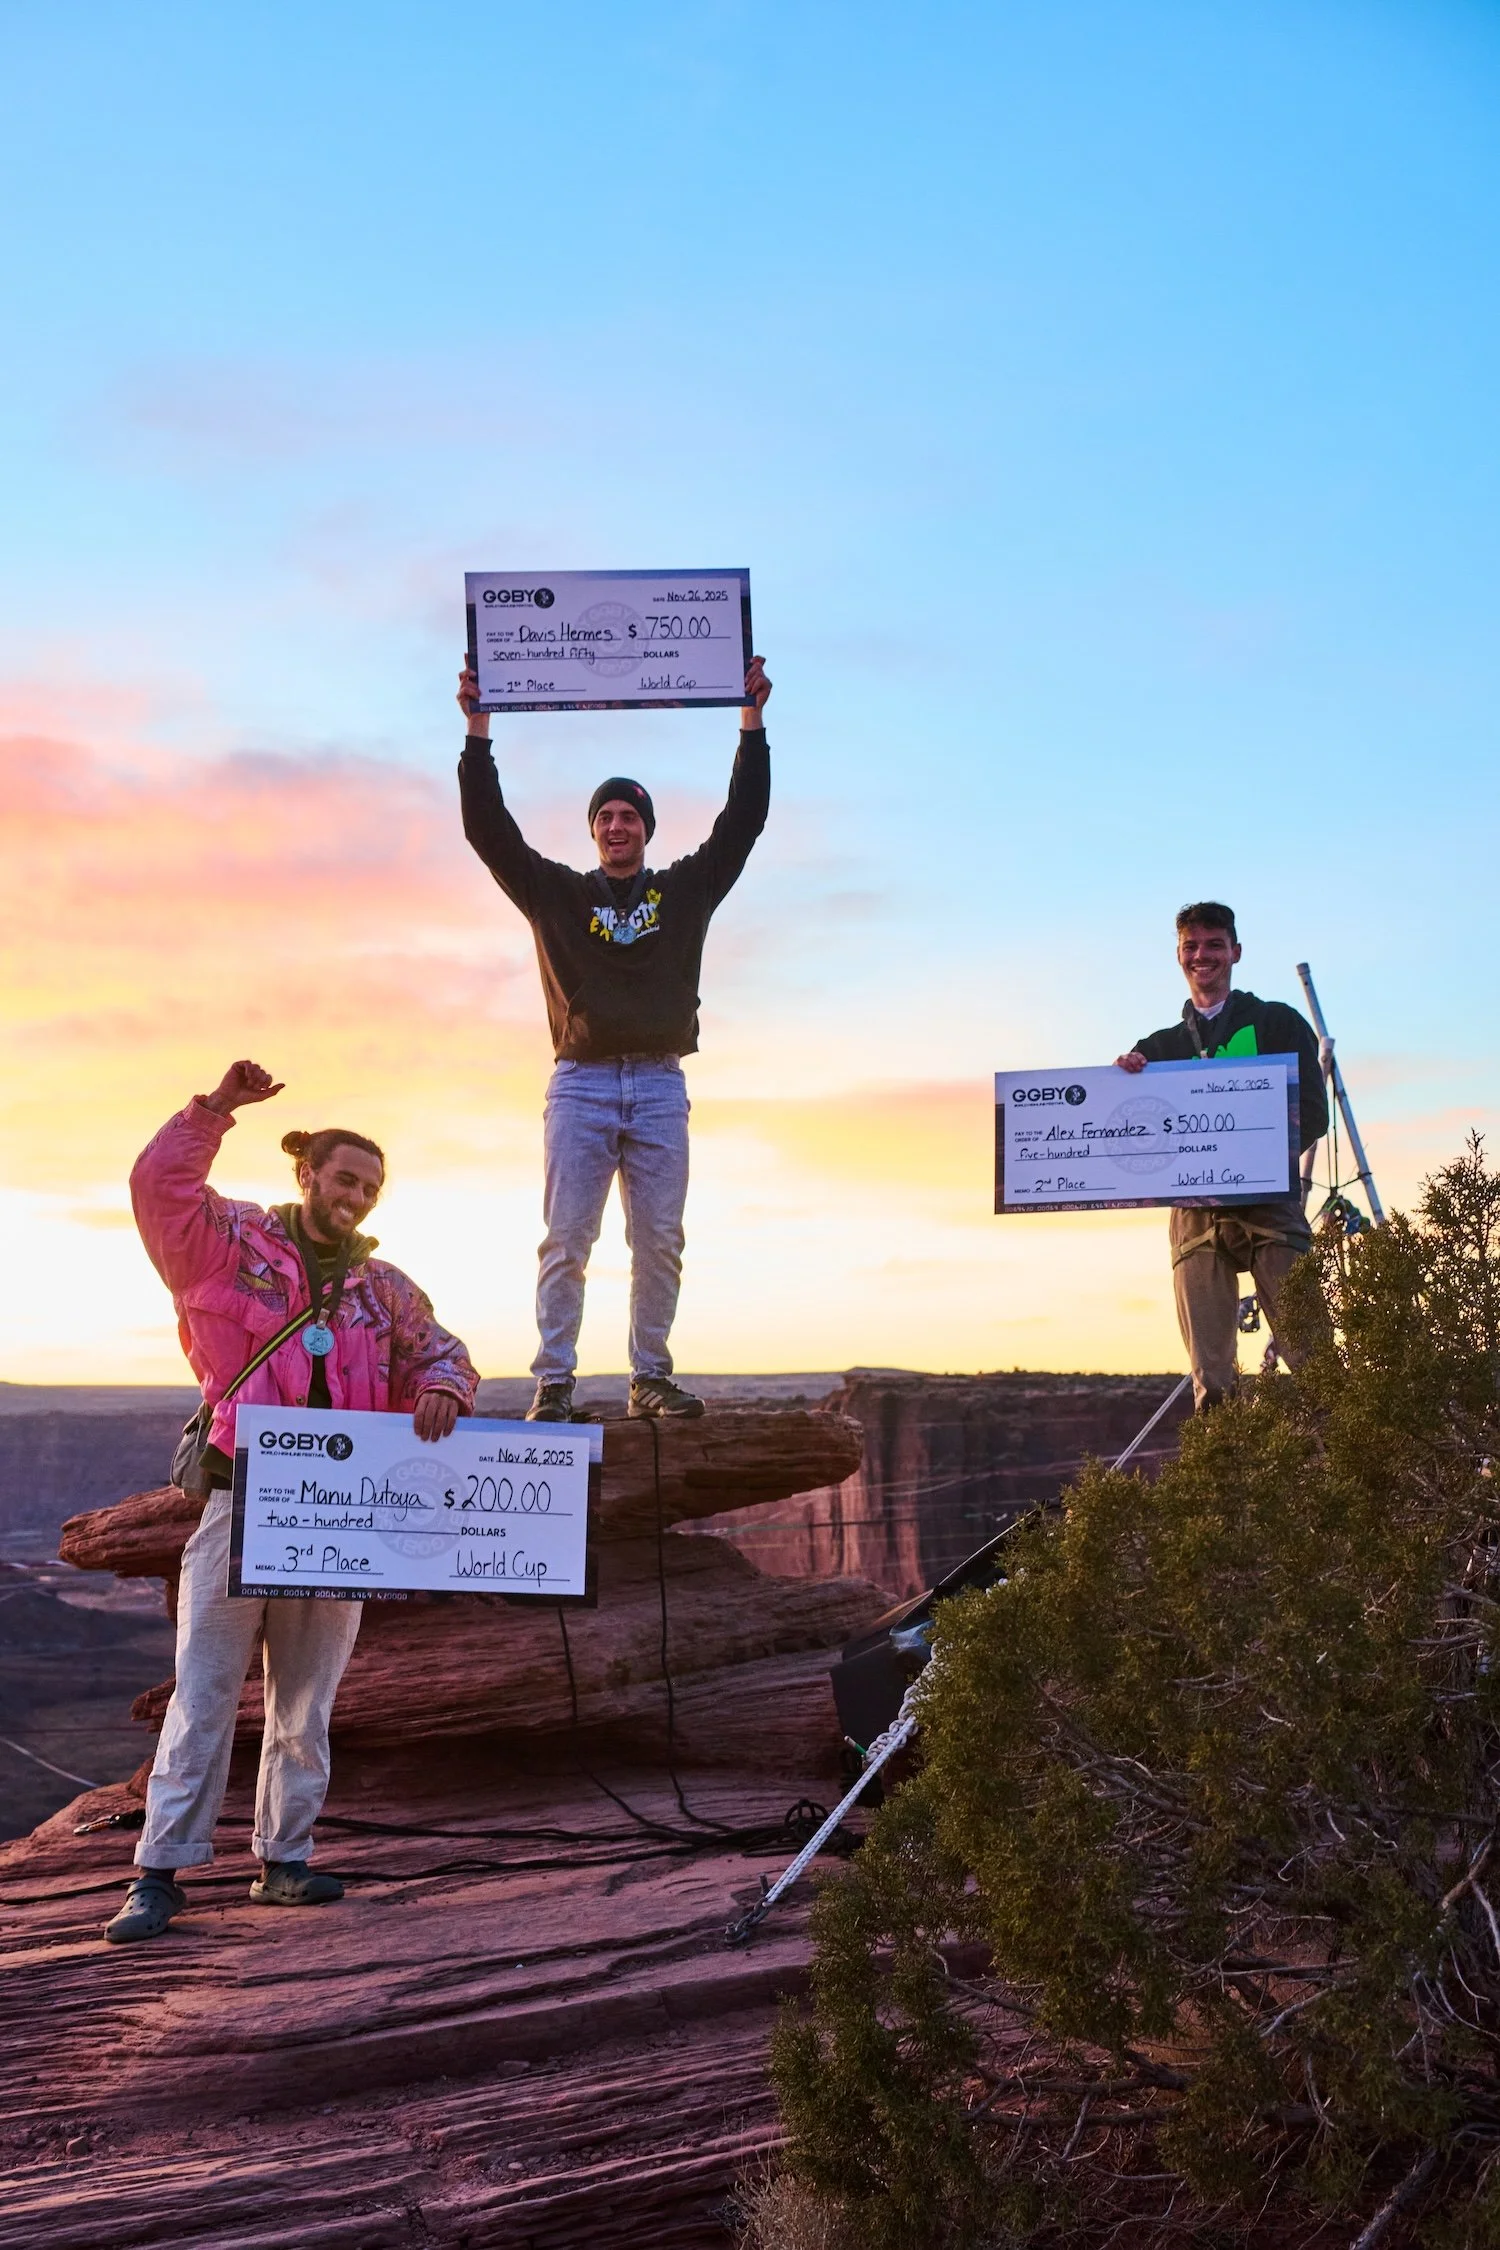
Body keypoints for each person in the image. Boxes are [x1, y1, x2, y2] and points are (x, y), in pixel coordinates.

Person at [105, 1061, 478, 1944]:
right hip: (243, 1502)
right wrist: (215, 1111)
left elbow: (444, 1351)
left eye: (371, 1188)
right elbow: (157, 1188)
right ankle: (160, 1873)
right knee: (204, 1693)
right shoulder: (230, 1243)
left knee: (304, 1702)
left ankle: (284, 1860)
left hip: (340, 1520)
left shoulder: (383, 1289)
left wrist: (447, 1390)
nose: (356, 1196)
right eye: (345, 1177)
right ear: (307, 1172)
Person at [457, 654, 772, 1422]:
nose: (616, 826)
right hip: (582, 1082)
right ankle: (555, 1382)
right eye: (605, 818)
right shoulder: (557, 895)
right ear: (594, 833)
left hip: (660, 1083)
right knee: (567, 1238)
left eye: (628, 816)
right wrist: (477, 731)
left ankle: (649, 1376)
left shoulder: (686, 891)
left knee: (659, 1241)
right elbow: (488, 832)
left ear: (646, 831)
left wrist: (752, 722)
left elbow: (744, 821)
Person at [1116, 902, 1329, 1411]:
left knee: (1314, 1357)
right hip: (1194, 1217)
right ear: (1179, 956)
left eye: (1214, 944)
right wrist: (1120, 1080)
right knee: (1211, 1375)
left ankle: (1348, 1475)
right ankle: (1225, 1481)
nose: (1202, 955)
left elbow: (1315, 1115)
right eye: (1191, 946)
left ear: (1235, 952)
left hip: (1271, 1205)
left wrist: (1254, 1157)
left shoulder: (1277, 1023)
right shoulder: (1158, 1048)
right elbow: (1132, 1127)